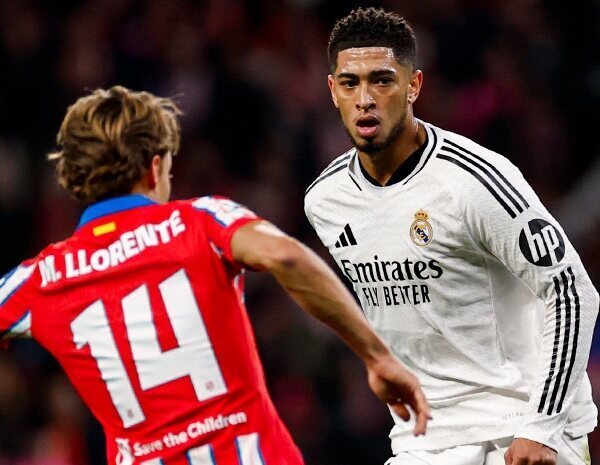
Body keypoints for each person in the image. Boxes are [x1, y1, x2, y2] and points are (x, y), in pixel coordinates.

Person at [0, 86, 430, 465]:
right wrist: (377, 357)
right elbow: (286, 256)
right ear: (154, 168)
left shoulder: (41, 278)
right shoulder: (201, 221)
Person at [304, 7, 599, 465]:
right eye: (349, 83)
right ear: (332, 90)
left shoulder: (475, 181)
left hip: (518, 425)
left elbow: (571, 289)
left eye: (382, 81)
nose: (365, 98)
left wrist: (542, 426)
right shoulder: (325, 200)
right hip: (424, 437)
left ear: (414, 86)